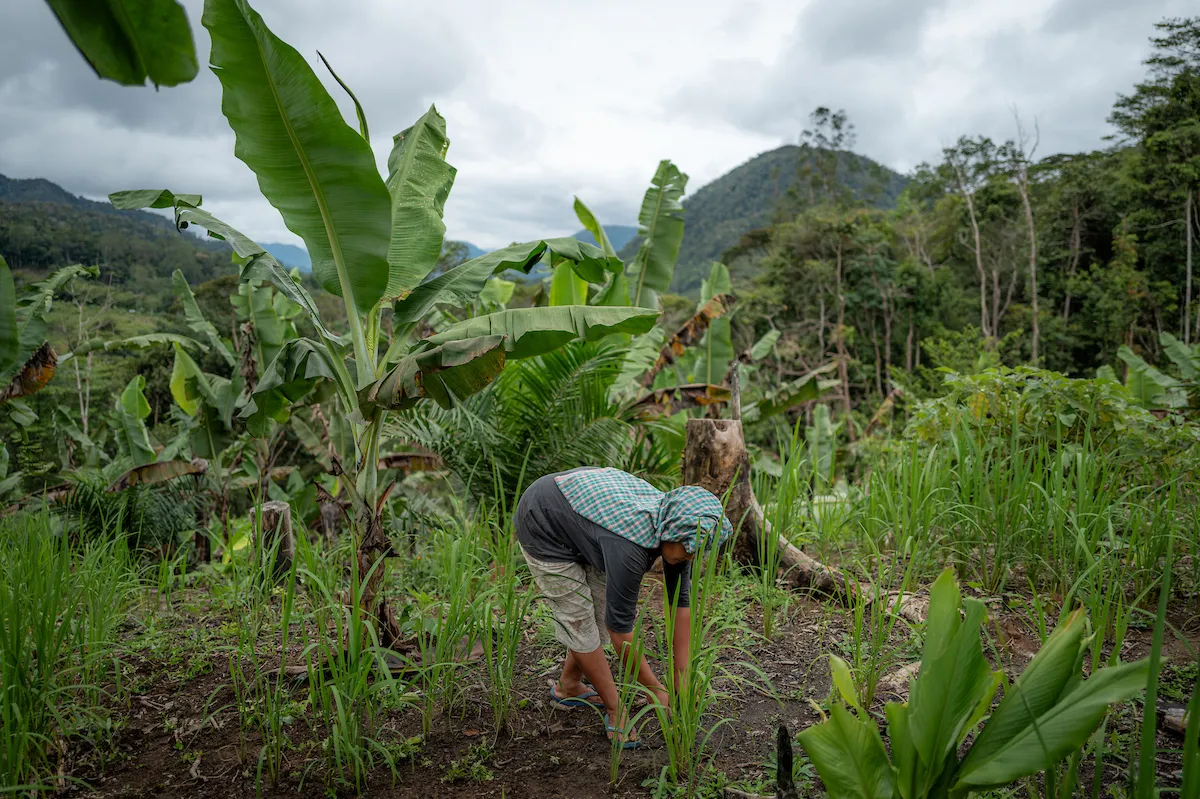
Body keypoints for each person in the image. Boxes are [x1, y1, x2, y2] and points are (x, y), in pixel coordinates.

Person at [514, 466, 733, 747]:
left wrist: (682, 680)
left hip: (589, 520)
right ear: (671, 533)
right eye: (688, 549)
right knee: (579, 620)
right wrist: (654, 689)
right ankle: (615, 709)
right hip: (542, 521)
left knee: (597, 608)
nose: (692, 556)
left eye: (697, 551)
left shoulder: (677, 531)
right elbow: (620, 632)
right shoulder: (630, 548)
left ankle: (568, 686)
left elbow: (681, 605)